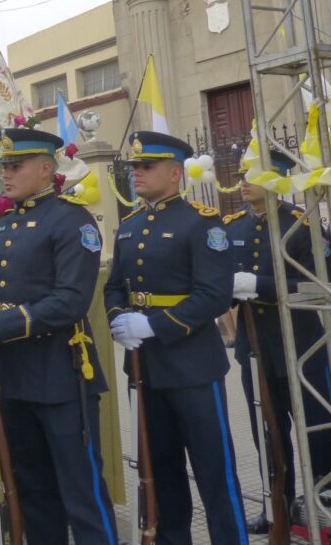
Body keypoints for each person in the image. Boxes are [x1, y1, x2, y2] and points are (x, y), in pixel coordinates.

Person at [0, 128, 117, 544]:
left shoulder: (72, 221)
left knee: (81, 491)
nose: (6, 175)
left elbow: (70, 302)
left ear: (46, 169)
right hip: (17, 378)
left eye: (16, 166)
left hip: (62, 375)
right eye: (4, 167)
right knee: (33, 492)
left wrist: (1, 324)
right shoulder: (4, 225)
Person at [104, 131, 247, 544]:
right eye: (134, 169)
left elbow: (213, 294)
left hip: (192, 367)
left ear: (174, 173)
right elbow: (114, 286)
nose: (137, 175)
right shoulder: (129, 227)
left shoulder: (201, 221)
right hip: (145, 368)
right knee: (161, 474)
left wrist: (153, 325)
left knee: (214, 473)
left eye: (146, 167)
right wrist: (119, 320)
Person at [223, 149, 331, 533]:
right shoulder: (232, 227)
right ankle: (278, 508)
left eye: (252, 172)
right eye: (241, 173)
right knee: (266, 432)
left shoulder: (301, 226)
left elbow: (321, 285)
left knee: (316, 428)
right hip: (254, 351)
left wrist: (263, 287)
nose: (242, 179)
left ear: (278, 176)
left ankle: (322, 500)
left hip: (300, 347)